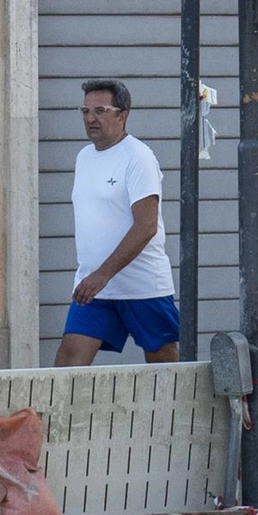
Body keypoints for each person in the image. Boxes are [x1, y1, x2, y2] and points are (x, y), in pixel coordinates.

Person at [54, 79, 180, 367]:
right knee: (67, 365)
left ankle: (181, 414)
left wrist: (103, 274)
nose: (90, 119)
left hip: (142, 287)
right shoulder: (84, 157)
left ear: (122, 115)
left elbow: (146, 226)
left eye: (100, 110)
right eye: (84, 111)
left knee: (166, 371)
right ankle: (53, 415)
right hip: (94, 289)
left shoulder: (138, 157)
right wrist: (95, 277)